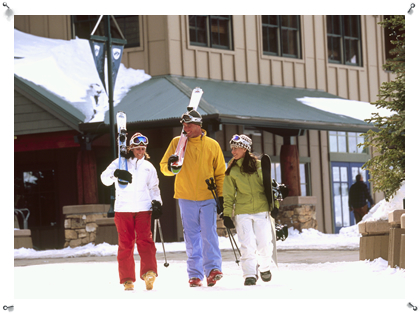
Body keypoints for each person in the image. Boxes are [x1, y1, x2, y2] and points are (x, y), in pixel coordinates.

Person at [160, 109, 226, 287]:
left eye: (188, 125)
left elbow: (220, 173)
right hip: (186, 196)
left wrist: (221, 197)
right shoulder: (177, 142)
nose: (185, 128)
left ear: (198, 125)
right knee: (191, 237)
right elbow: (164, 168)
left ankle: (213, 270)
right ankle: (195, 274)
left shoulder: (212, 145)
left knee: (209, 233)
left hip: (208, 196)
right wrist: (172, 166)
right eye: (183, 125)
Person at [101, 132, 163, 291]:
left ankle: (149, 273)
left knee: (146, 241)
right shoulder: (120, 163)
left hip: (143, 209)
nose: (140, 152)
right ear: (131, 148)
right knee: (126, 244)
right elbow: (104, 179)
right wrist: (116, 173)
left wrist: (157, 203)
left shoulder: (148, 167)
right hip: (123, 209)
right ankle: (127, 279)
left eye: (143, 148)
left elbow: (154, 188)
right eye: (137, 148)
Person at [223, 134, 277, 286]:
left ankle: (265, 267)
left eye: (236, 148)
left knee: (265, 243)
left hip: (261, 209)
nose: (233, 152)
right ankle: (249, 274)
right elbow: (228, 194)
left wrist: (275, 207)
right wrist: (227, 214)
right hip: (242, 211)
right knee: (247, 244)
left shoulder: (259, 166)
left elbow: (271, 188)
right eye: (232, 148)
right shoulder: (232, 169)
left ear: (245, 149)